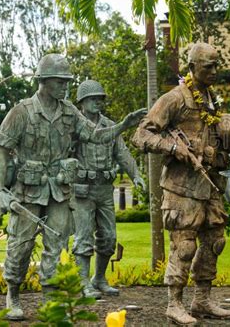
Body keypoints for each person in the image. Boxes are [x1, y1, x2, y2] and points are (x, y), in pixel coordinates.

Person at [0, 54, 145, 320]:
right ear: (43, 80)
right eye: (60, 81)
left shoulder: (69, 111)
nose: (66, 87)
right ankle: (12, 294)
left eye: (67, 82)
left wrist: (123, 125)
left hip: (59, 190)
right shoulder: (21, 112)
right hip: (28, 190)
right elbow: (2, 152)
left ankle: (51, 299)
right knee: (21, 243)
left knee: (56, 243)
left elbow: (95, 135)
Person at [133, 43, 230, 325]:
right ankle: (174, 304)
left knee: (215, 242)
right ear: (192, 67)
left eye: (216, 65)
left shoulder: (211, 100)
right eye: (208, 66)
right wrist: (173, 148)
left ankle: (202, 300)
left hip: (210, 185)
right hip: (182, 188)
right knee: (184, 247)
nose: (214, 71)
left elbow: (216, 134)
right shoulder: (174, 99)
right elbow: (141, 136)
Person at [72, 79, 146, 298]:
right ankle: (83, 282)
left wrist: (136, 175)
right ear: (82, 102)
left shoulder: (109, 125)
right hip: (82, 189)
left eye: (99, 98)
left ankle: (99, 278)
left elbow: (122, 153)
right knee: (83, 237)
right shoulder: (74, 125)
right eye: (92, 98)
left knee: (109, 237)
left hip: (104, 188)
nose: (97, 102)